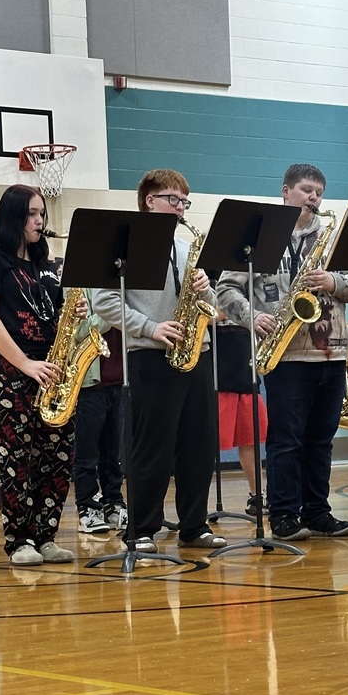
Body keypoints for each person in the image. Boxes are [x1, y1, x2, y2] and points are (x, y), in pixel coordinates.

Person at [216, 163, 348, 539]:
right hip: (285, 354)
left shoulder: (332, 238)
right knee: (287, 440)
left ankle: (318, 510)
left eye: (318, 191)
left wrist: (333, 280)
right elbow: (225, 289)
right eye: (305, 190)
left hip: (331, 353)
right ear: (285, 191)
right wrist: (253, 317)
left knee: (321, 440)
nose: (313, 197)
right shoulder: (260, 234)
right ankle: (283, 514)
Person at [92, 168, 226, 553]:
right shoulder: (125, 246)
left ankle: (193, 526)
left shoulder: (187, 250)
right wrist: (151, 328)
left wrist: (207, 289)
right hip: (150, 356)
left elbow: (210, 308)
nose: (180, 207)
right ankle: (141, 528)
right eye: (173, 199)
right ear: (149, 201)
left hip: (195, 355)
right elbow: (104, 302)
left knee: (198, 445)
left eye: (184, 201)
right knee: (152, 448)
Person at [0, 183, 82, 566]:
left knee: (57, 456)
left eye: (41, 214)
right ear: (14, 217)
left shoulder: (44, 264)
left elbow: (52, 314)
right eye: (32, 214)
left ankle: (46, 536)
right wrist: (25, 363)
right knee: (16, 460)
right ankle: (20, 541)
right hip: (13, 370)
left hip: (51, 370)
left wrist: (74, 314)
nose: (39, 221)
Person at [74, 287, 128, 535]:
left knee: (112, 453)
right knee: (87, 454)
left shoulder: (123, 283)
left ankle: (114, 503)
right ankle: (87, 508)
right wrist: (114, 311)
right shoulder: (77, 285)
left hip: (119, 379)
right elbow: (80, 331)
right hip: (90, 382)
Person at [214, 318, 269, 515]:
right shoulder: (207, 287)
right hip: (217, 376)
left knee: (250, 440)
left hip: (246, 375)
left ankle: (257, 495)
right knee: (206, 443)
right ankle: (194, 507)